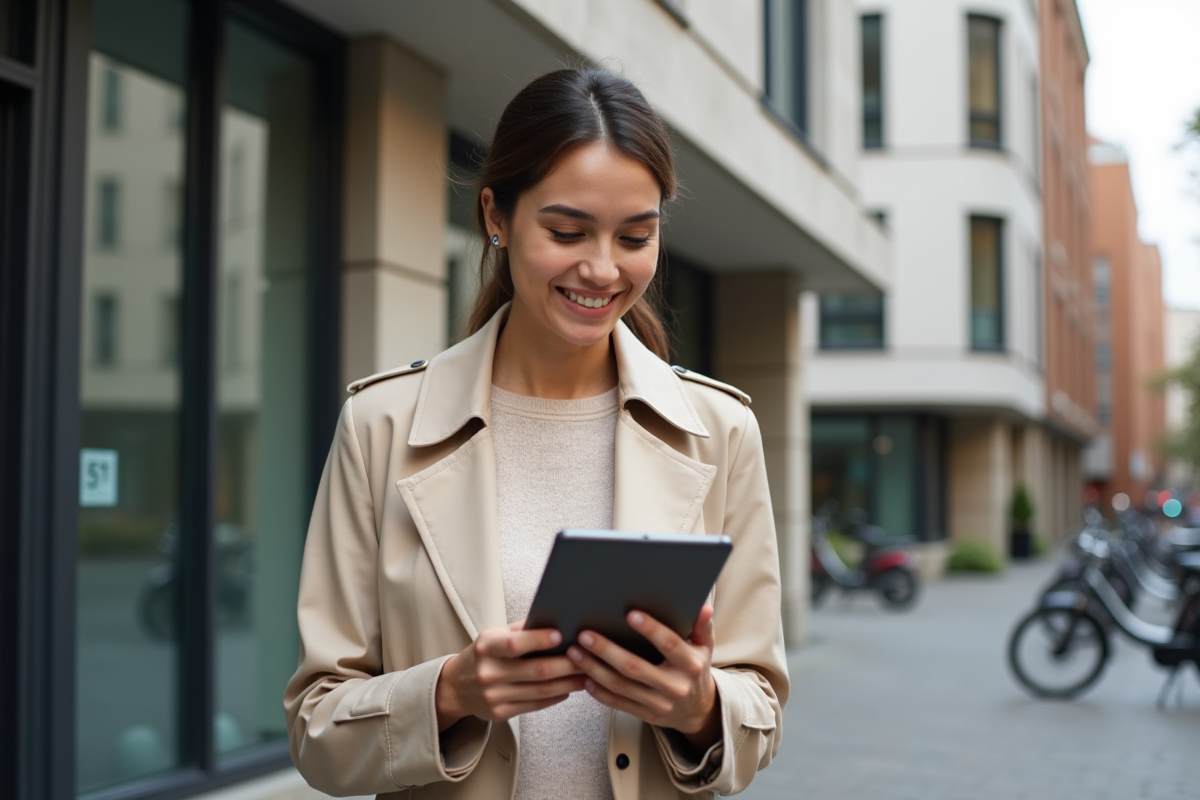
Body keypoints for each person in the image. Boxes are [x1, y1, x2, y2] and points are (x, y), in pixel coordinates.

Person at [284, 68, 788, 800]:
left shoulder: (720, 430)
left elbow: (762, 712)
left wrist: (700, 708)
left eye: (635, 236)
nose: (602, 269)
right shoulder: (381, 426)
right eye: (566, 231)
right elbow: (316, 731)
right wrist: (450, 692)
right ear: (496, 215)